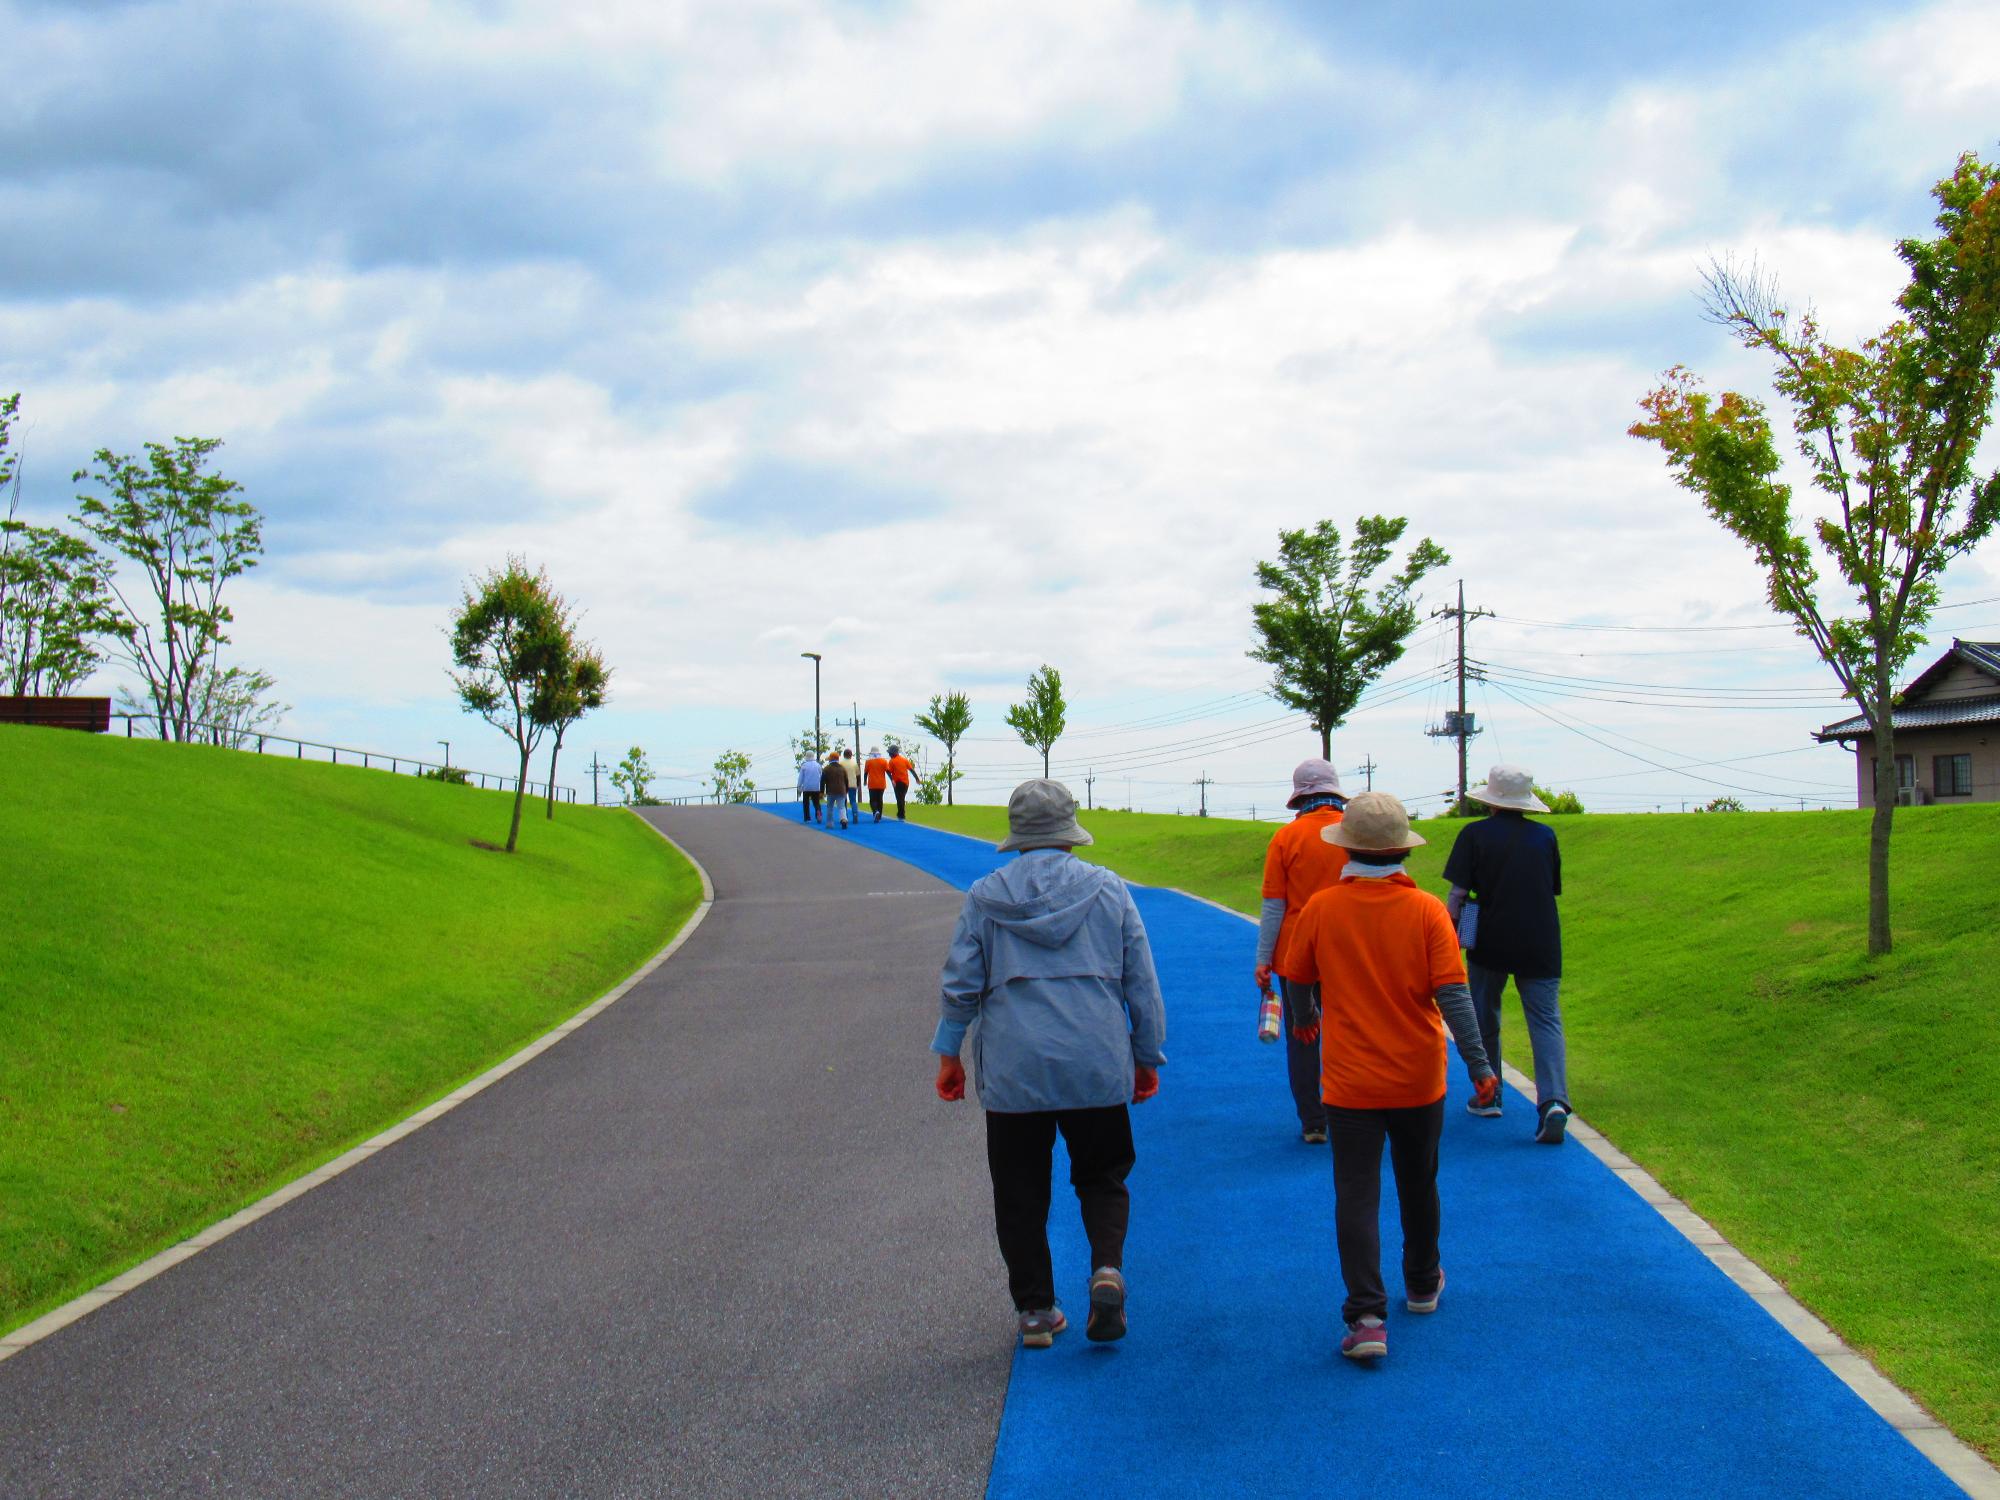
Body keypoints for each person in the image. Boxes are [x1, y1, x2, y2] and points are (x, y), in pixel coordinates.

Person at [932, 779, 1167, 1349]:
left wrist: (949, 1053)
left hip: (1015, 1068)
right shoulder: (1109, 890)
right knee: (1103, 1177)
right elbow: (1141, 981)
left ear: (1016, 835)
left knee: (1019, 1191)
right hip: (1095, 1059)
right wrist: (1146, 1054)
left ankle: (1036, 1309)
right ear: (1069, 831)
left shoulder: (985, 896)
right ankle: (1106, 1269)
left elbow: (961, 984)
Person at [1284, 792, 1498, 1362]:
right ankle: (1423, 1281)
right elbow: (1454, 997)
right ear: (1402, 850)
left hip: (1350, 1081)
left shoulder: (1322, 909)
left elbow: (1298, 977)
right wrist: (1479, 1065)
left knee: (1356, 1192)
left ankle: (1367, 1314)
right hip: (1417, 1076)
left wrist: (1305, 1019)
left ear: (1347, 849)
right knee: (1418, 1180)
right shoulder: (1427, 911)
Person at [1442, 764, 1571, 1144]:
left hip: (1489, 937)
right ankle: (1553, 1101)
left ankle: (1489, 1093)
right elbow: (1551, 888)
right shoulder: (1545, 837)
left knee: (1485, 1012)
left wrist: (1451, 933)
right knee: (1545, 1019)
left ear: (1491, 801)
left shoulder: (1474, 835)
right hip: (1541, 939)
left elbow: (1457, 896)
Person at [1253, 759, 1349, 1145]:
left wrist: (1263, 959)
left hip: (1297, 955)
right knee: (1349, 1032)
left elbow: (1274, 905)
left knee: (1303, 1033)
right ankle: (1351, 1108)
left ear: (1300, 797)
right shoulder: (1353, 833)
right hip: (1349, 951)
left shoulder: (1285, 839)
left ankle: (1313, 1120)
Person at [819, 750, 851, 830]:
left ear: (831, 759)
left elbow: (822, 781)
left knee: (830, 807)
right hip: (841, 790)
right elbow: (846, 780)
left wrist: (821, 792)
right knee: (841, 807)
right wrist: (846, 790)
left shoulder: (826, 769)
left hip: (831, 791)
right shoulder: (842, 768)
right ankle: (844, 819)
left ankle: (830, 823)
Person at [887, 743, 919, 820]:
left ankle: (901, 814)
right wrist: (917, 778)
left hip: (897, 782)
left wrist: (892, 780)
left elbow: (888, 771)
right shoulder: (904, 760)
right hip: (905, 783)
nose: (889, 755)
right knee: (901, 797)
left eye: (890, 753)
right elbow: (911, 770)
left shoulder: (892, 761)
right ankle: (901, 813)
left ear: (893, 753)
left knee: (899, 798)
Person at [863, 746, 891, 822]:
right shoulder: (884, 761)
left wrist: (865, 781)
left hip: (872, 783)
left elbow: (866, 772)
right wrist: (892, 780)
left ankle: (875, 812)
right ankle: (880, 815)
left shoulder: (868, 761)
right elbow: (888, 771)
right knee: (880, 799)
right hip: (881, 783)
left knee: (872, 800)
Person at [795, 754, 824, 824]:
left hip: (806, 787)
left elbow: (801, 777)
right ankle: (818, 812)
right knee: (816, 802)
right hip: (816, 787)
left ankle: (807, 818)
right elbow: (821, 775)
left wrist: (799, 786)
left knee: (806, 803)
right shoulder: (818, 765)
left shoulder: (804, 765)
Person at [841, 749, 862, 822]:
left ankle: (845, 816)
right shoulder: (854, 764)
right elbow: (858, 775)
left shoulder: (841, 764)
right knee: (853, 800)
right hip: (853, 784)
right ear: (851, 755)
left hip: (843, 784)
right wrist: (858, 784)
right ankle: (855, 814)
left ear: (844, 755)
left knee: (843, 801)